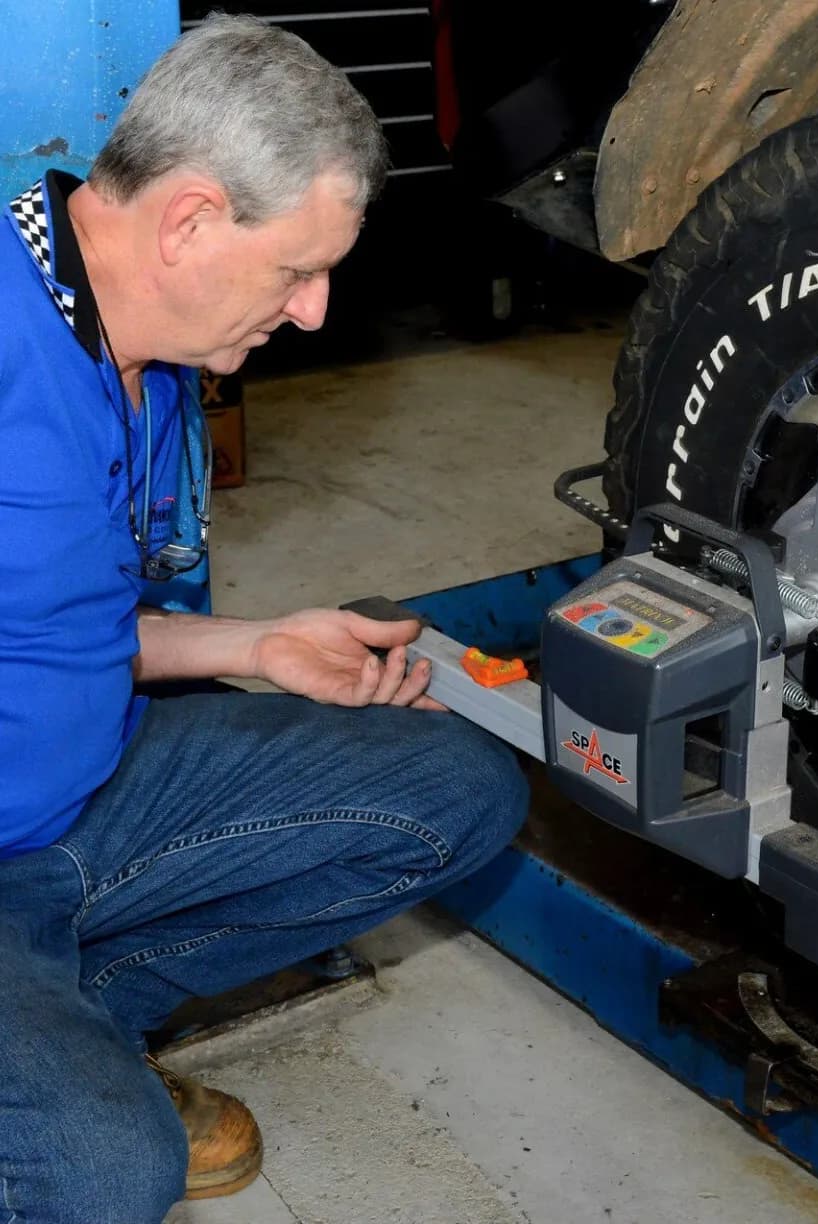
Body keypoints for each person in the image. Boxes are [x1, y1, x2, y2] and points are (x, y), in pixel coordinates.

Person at [0, 12, 528, 1221]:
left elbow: (48, 622)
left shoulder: (139, 354)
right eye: (298, 270)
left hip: (86, 794)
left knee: (459, 789)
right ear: (188, 220)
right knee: (104, 1175)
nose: (314, 314)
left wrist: (256, 646)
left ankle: (75, 1024)